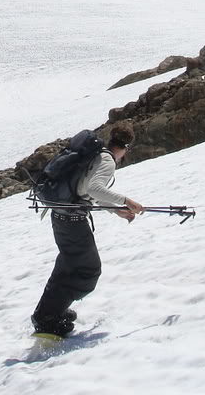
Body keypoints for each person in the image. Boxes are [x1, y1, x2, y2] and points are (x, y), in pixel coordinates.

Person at [31, 122, 144, 337]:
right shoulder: (107, 161)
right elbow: (94, 188)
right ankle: (46, 320)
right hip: (72, 221)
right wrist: (126, 201)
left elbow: (84, 188)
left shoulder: (96, 152)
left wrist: (116, 209)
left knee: (67, 266)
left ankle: (49, 313)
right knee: (88, 270)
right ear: (126, 147)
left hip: (61, 216)